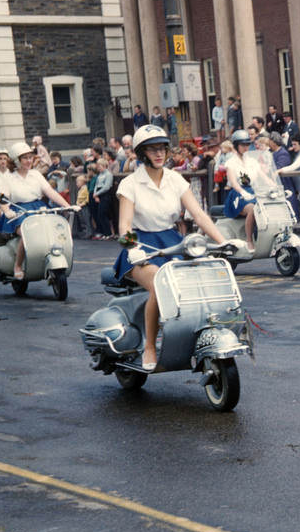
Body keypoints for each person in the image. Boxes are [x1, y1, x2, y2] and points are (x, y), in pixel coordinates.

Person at [113, 125, 231, 371]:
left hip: (172, 241)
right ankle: (150, 347)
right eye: (152, 149)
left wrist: (224, 241)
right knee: (160, 282)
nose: (158, 154)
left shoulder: (175, 179)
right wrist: (132, 247)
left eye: (162, 149)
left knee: (200, 279)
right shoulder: (130, 184)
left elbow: (198, 214)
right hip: (140, 245)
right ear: (142, 153)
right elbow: (124, 226)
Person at [0, 142, 73, 280]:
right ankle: (18, 265)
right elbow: (2, 198)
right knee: (27, 234)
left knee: (53, 231)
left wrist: (67, 205)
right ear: (16, 160)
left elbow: (50, 192)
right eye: (25, 158)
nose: (29, 160)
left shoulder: (36, 174)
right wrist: (7, 211)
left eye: (30, 157)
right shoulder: (8, 178)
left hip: (38, 208)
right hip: (18, 210)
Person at [222, 129, 263, 251]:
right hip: (238, 194)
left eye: (247, 144)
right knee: (253, 209)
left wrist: (274, 184)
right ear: (236, 145)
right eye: (243, 144)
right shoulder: (231, 162)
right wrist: (243, 192)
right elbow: (234, 183)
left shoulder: (252, 160)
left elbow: (262, 175)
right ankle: (249, 240)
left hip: (253, 191)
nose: (246, 147)